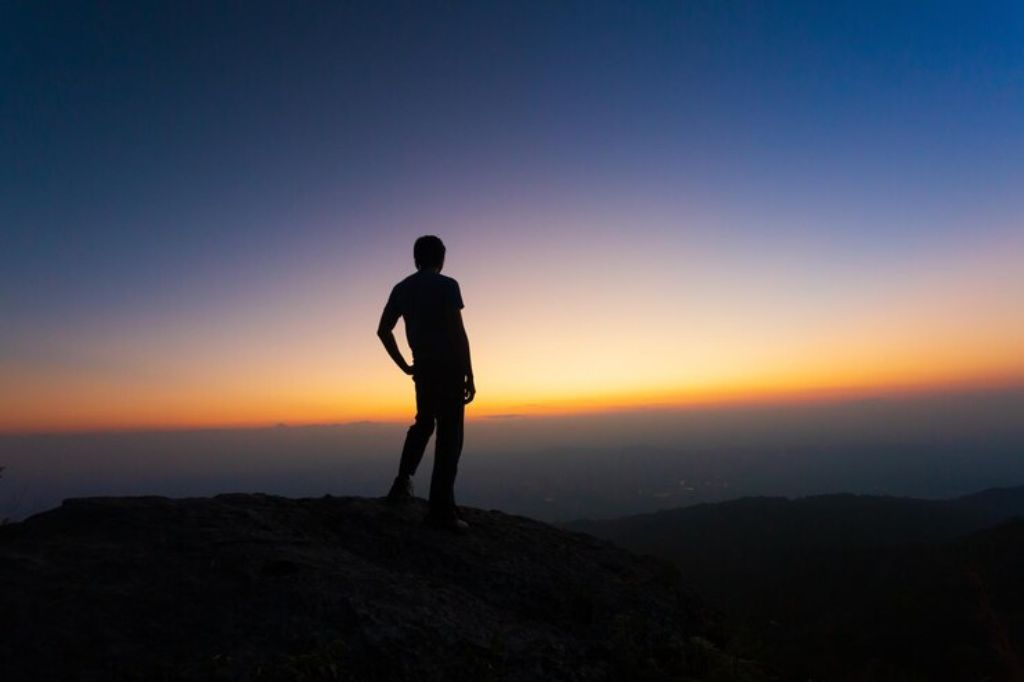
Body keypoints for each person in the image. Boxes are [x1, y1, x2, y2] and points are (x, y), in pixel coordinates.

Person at [377, 235, 476, 530]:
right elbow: (458, 332)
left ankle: (402, 482)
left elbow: (383, 330)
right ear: (441, 257)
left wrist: (404, 365)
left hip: (423, 368)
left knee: (424, 424)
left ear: (416, 258)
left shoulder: (402, 289)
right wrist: (469, 371)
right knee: (450, 435)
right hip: (449, 368)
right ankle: (441, 512)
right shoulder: (447, 285)